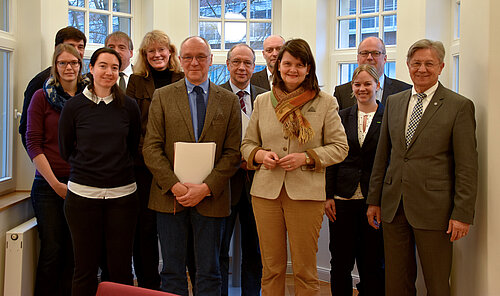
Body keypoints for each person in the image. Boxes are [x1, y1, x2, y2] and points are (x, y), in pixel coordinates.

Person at [366, 39, 478, 296]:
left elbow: (467, 166)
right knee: (396, 281)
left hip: (435, 209)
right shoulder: (394, 102)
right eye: (416, 63)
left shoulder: (459, 106)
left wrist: (462, 213)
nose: (422, 69)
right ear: (407, 66)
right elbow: (383, 155)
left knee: (437, 282)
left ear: (441, 67)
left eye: (429, 63)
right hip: (394, 207)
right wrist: (374, 200)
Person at [241, 38, 349, 295]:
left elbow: (340, 147)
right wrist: (258, 156)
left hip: (306, 195)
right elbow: (247, 144)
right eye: (287, 63)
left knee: (304, 271)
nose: (292, 69)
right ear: (277, 66)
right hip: (265, 194)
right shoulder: (263, 102)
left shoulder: (325, 102)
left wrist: (307, 157)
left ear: (308, 68)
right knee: (272, 269)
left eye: (299, 65)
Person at [142, 36, 241, 296]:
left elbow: (232, 153)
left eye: (200, 56)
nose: (194, 62)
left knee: (210, 270)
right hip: (169, 197)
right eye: (188, 57)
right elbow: (151, 148)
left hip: (212, 197)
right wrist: (174, 186)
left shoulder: (228, 100)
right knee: (172, 271)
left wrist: (206, 188)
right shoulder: (162, 97)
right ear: (180, 60)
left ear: (211, 60)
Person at [58, 47, 141, 296]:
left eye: (115, 67)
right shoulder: (73, 107)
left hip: (122, 197)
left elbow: (132, 146)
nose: (108, 72)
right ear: (91, 68)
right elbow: (65, 150)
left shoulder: (129, 107)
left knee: (120, 270)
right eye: (103, 66)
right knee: (84, 269)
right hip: (83, 197)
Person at [26, 43, 87, 296]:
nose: (69, 67)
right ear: (55, 66)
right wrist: (56, 185)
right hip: (48, 185)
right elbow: (33, 143)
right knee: (52, 250)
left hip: (83, 183)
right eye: (63, 63)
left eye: (73, 63)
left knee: (76, 252)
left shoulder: (90, 97)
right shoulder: (41, 96)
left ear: (81, 66)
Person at [125, 29, 184, 290]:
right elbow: (131, 124)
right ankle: (149, 285)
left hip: (179, 167)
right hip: (143, 167)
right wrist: (150, 157)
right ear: (144, 55)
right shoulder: (136, 82)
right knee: (145, 231)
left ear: (170, 52)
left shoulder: (182, 78)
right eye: (151, 51)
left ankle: (175, 285)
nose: (157, 55)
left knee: (176, 230)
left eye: (162, 50)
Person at [325, 64, 385, 296]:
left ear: (377, 86)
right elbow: (332, 158)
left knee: (372, 261)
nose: (362, 89)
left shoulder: (388, 116)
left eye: (368, 84)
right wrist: (328, 195)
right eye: (358, 84)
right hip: (342, 198)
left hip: (374, 201)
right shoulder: (340, 117)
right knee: (340, 260)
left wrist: (377, 199)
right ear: (352, 87)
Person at [219, 43, 266, 296]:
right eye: (236, 61)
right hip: (224, 184)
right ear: (227, 64)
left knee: (255, 250)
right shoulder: (215, 95)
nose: (241, 67)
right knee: (219, 249)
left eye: (247, 62)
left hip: (258, 184)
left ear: (254, 66)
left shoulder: (265, 97)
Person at [20, 26, 87, 150]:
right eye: (71, 46)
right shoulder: (39, 83)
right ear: (57, 49)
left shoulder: (87, 86)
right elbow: (26, 131)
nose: (77, 51)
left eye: (80, 47)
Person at [333, 37, 411, 110]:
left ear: (385, 59)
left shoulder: (404, 91)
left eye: (375, 53)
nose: (369, 57)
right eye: (364, 53)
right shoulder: (341, 93)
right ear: (358, 59)